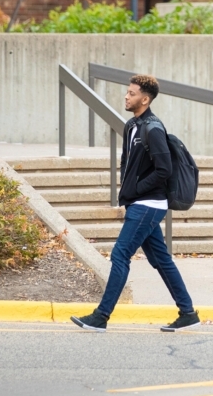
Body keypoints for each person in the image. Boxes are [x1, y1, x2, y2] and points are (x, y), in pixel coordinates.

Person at [72, 74, 200, 332]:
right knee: (162, 260)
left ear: (145, 98)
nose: (126, 97)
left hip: (149, 204)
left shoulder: (154, 129)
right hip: (139, 202)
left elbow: (163, 170)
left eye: (131, 94)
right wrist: (127, 187)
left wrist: (136, 189)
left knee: (120, 254)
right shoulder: (132, 126)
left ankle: (101, 316)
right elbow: (126, 161)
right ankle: (188, 313)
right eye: (127, 92)